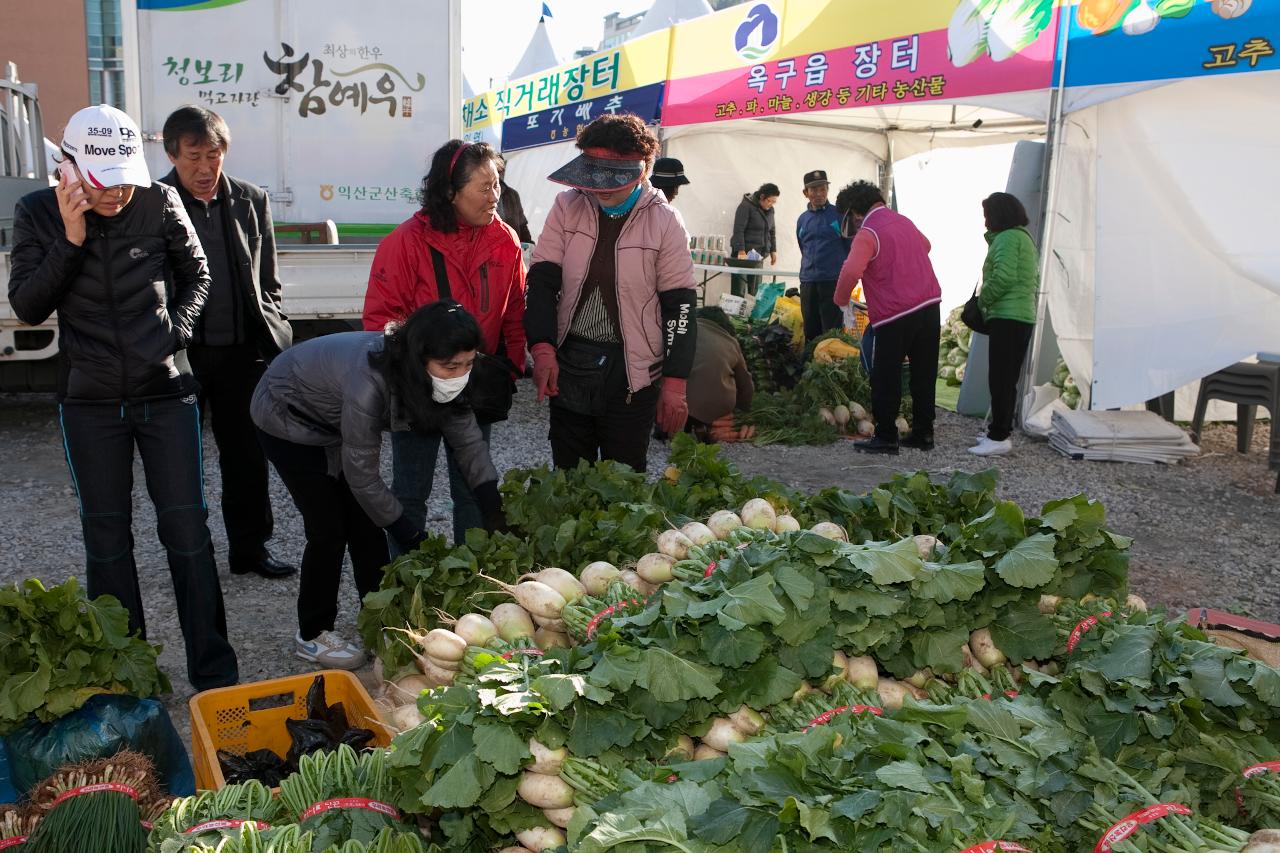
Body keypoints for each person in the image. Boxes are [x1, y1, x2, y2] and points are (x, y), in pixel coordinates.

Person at [7, 104, 238, 689]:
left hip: (166, 394)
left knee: (187, 532)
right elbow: (29, 305)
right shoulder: (36, 212)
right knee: (106, 538)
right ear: (72, 167)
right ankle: (126, 677)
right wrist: (72, 238)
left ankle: (213, 673)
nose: (117, 196)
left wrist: (175, 333)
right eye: (103, 184)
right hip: (88, 402)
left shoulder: (160, 201)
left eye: (126, 181)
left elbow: (199, 274)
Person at [250, 302, 507, 668]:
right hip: (287, 416)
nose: (460, 374)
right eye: (451, 367)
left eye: (468, 364)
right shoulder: (370, 380)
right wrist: (410, 533)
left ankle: (381, 623)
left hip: (333, 419)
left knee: (368, 527)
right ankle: (311, 633)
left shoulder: (442, 380)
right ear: (421, 358)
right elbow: (363, 476)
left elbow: (467, 440)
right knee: (328, 530)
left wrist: (490, 502)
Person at [362, 140, 525, 546]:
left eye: (497, 185)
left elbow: (515, 310)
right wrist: (416, 375)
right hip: (416, 387)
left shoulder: (505, 239)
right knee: (409, 494)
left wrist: (515, 365)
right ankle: (405, 581)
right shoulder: (406, 242)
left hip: (473, 381)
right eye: (484, 187)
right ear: (450, 191)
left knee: (472, 489)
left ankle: (472, 581)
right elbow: (379, 320)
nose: (495, 196)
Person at [160, 105, 295, 580]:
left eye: (213, 154)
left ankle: (250, 551)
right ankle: (191, 557)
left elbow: (268, 281)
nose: (204, 167)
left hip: (244, 353)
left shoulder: (250, 199)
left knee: (247, 457)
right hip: (181, 356)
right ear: (172, 154)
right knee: (180, 461)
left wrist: (274, 328)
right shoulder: (153, 203)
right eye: (193, 156)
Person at [525, 113, 697, 472]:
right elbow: (541, 282)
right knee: (570, 475)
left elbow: (679, 306)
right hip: (571, 361)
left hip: (633, 371)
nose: (602, 190)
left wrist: (675, 383)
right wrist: (541, 349)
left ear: (643, 172)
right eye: (594, 179)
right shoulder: (566, 207)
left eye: (615, 181)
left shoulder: (664, 221)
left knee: (624, 477)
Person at [833, 180, 942, 455]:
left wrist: (841, 301)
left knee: (886, 376)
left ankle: (885, 436)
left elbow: (850, 271)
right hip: (929, 305)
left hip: (896, 313)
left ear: (855, 213)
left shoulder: (868, 232)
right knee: (924, 374)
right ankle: (923, 433)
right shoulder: (902, 220)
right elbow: (926, 246)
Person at [969, 192, 1040, 457]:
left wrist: (983, 301)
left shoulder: (1008, 238)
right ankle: (997, 430)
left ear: (999, 215)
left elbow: (1004, 277)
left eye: (987, 215)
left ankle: (999, 436)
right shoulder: (1023, 238)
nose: (985, 221)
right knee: (1005, 378)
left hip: (1008, 317)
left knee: (1001, 378)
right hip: (1020, 315)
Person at [686, 306, 754, 441]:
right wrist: (743, 410)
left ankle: (675, 425)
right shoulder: (732, 342)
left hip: (681, 402)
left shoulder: (685, 331)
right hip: (719, 408)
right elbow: (746, 384)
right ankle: (706, 425)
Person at [796, 169, 850, 340]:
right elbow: (802, 247)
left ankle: (831, 365)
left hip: (832, 281)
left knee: (832, 331)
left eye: (822, 189)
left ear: (827, 190)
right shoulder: (802, 219)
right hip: (808, 282)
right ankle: (811, 364)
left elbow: (850, 247)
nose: (819, 194)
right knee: (811, 330)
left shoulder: (839, 215)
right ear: (806, 193)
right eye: (813, 190)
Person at [729, 182, 779, 297]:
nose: (771, 204)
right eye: (769, 201)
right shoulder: (745, 206)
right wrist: (741, 250)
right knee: (739, 290)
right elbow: (738, 229)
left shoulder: (770, 210)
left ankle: (752, 314)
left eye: (774, 202)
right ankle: (735, 313)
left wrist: (773, 250)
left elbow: (772, 231)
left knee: (755, 290)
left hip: (758, 256)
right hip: (742, 254)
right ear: (762, 197)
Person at [497, 160, 533, 245]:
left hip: (513, 249)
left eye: (501, 170)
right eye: (498, 170)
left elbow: (522, 225)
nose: (500, 174)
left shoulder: (512, 194)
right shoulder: (481, 195)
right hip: (490, 252)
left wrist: (529, 244)